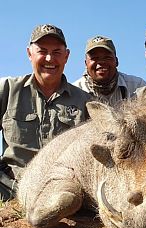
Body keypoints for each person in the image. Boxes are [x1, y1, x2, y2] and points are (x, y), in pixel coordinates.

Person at [0, 24, 92, 201]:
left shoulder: (86, 101)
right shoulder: (8, 89)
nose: (49, 58)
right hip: (10, 189)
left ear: (66, 56)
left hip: (62, 194)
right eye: (42, 51)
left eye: (57, 52)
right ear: (29, 53)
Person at [73, 35, 146, 106]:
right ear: (86, 63)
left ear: (116, 61)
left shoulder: (137, 86)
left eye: (107, 57)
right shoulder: (74, 92)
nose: (101, 62)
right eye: (94, 58)